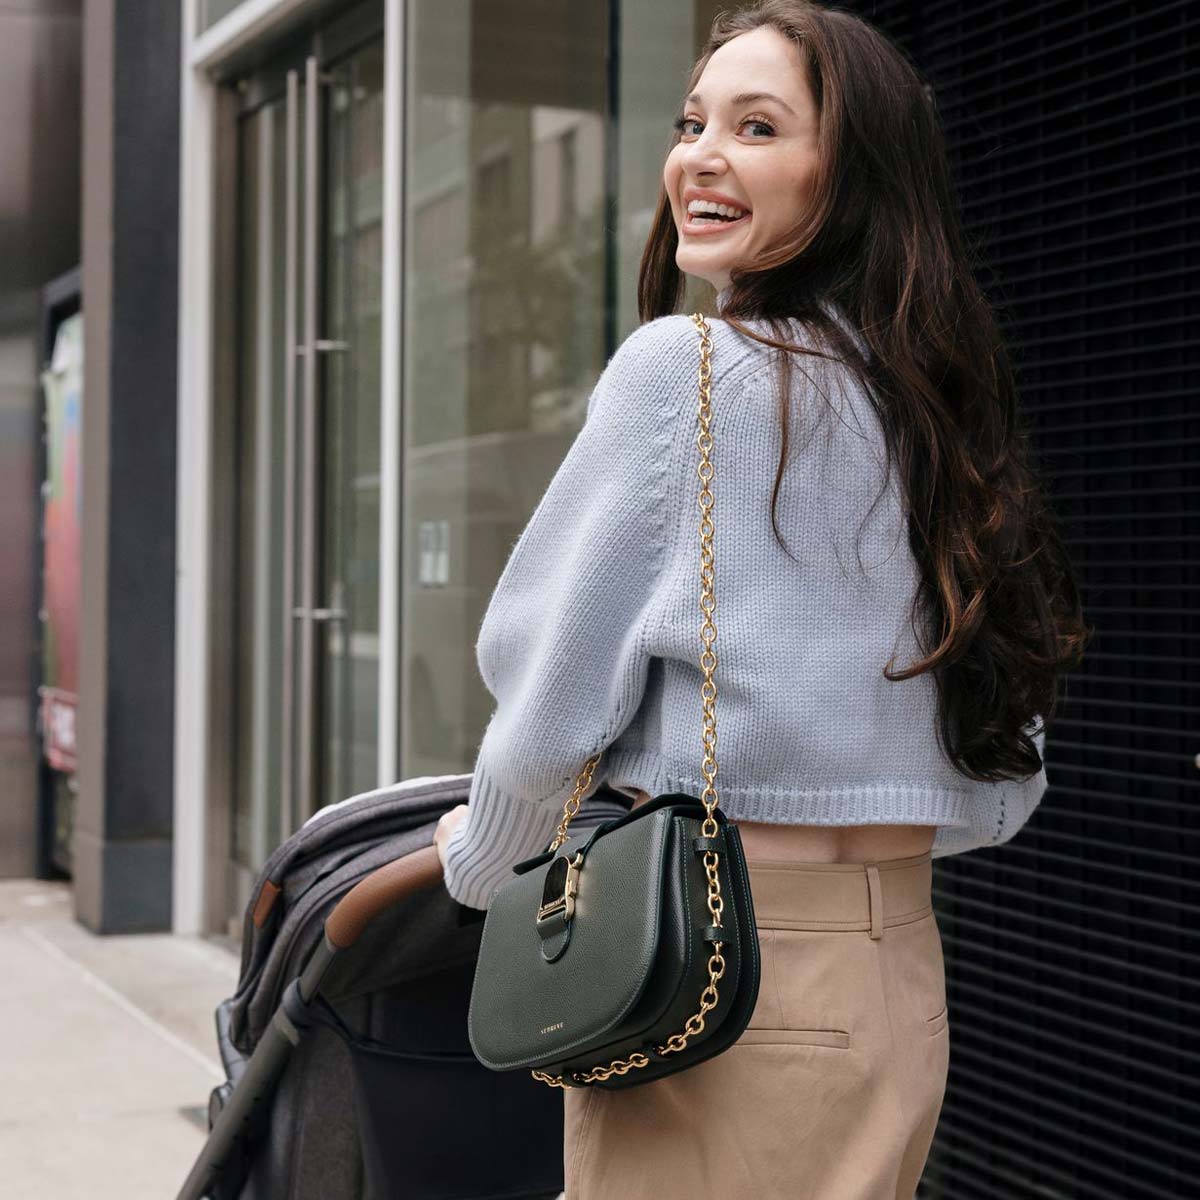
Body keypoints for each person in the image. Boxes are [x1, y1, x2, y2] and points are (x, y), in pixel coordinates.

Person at [435, 2, 1089, 1196]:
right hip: (898, 973)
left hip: (715, 962)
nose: (700, 156)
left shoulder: (686, 370)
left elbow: (549, 703)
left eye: (758, 125)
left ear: (850, 176)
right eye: (694, 122)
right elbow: (1007, 770)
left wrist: (479, 867)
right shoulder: (937, 411)